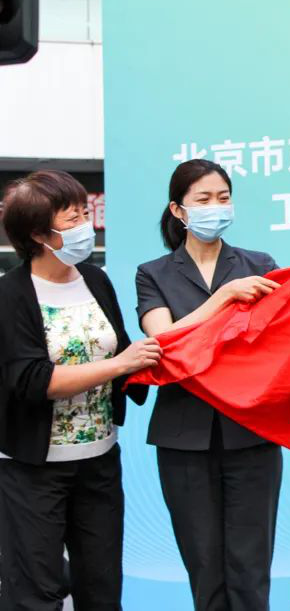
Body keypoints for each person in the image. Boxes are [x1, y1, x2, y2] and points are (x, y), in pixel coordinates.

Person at [0, 170, 159, 610]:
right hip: (33, 469)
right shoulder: (10, 294)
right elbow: (34, 380)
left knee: (102, 588)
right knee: (35, 592)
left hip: (100, 462)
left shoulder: (94, 279)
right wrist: (121, 364)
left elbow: (121, 347)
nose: (84, 226)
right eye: (72, 219)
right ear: (38, 234)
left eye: (85, 214)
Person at [135, 159, 282, 611]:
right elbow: (165, 341)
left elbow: (279, 338)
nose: (216, 207)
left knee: (251, 570)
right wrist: (224, 298)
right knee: (205, 568)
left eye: (223, 198)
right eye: (203, 199)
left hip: (250, 433)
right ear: (178, 210)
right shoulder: (153, 273)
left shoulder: (259, 265)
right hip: (183, 437)